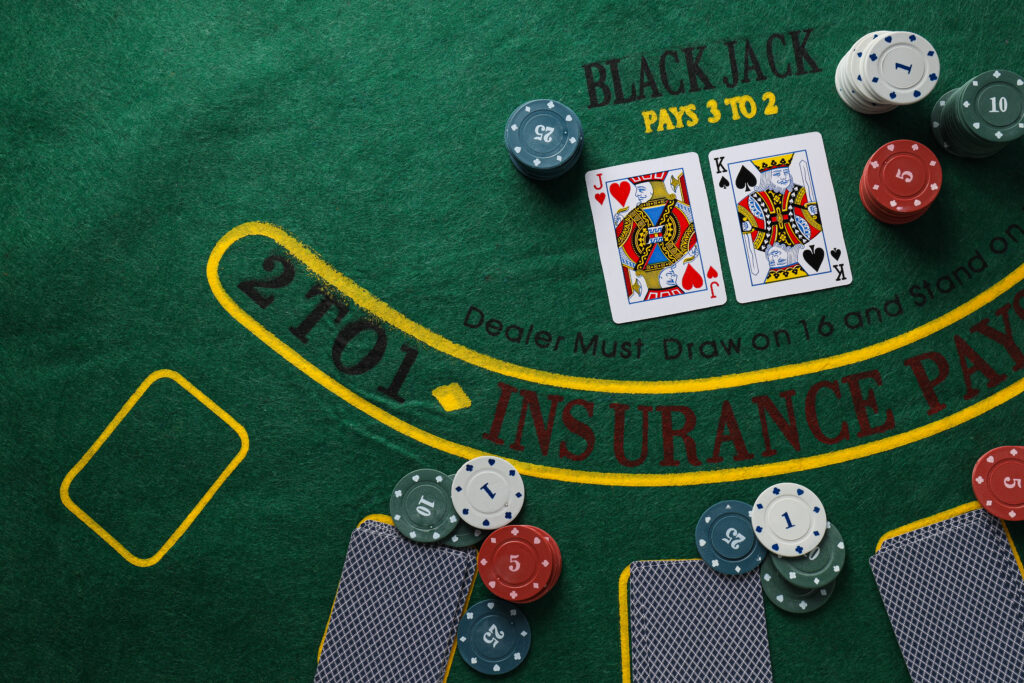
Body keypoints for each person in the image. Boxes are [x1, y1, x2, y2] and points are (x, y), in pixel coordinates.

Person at [736, 153, 821, 283]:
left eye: (786, 172)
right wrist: (745, 225)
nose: (783, 177)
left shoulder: (800, 193)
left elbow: (814, 225)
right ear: (767, 177)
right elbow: (743, 212)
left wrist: (813, 213)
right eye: (777, 174)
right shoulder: (754, 199)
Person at [615, 172, 699, 302]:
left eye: (641, 190)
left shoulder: (681, 212)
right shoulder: (630, 225)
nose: (637, 194)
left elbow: (693, 228)